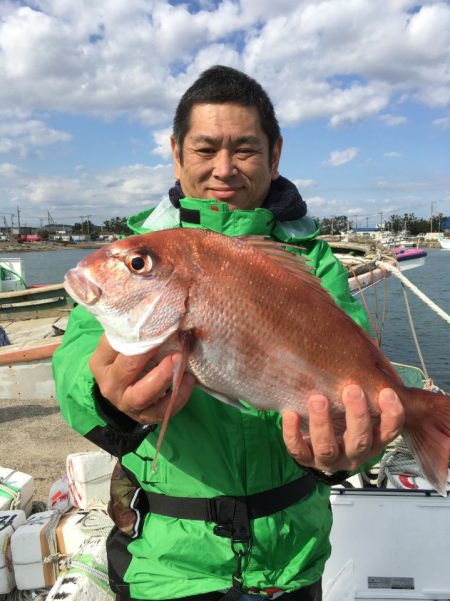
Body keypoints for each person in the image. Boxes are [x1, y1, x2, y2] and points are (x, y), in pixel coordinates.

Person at [53, 65, 404, 601]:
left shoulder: (312, 262)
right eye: (205, 149)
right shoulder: (144, 247)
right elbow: (76, 364)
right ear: (177, 153)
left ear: (274, 154)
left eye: (244, 149)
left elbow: (355, 378)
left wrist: (354, 452)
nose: (224, 169)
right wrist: (107, 398)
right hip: (168, 565)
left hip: (294, 559)